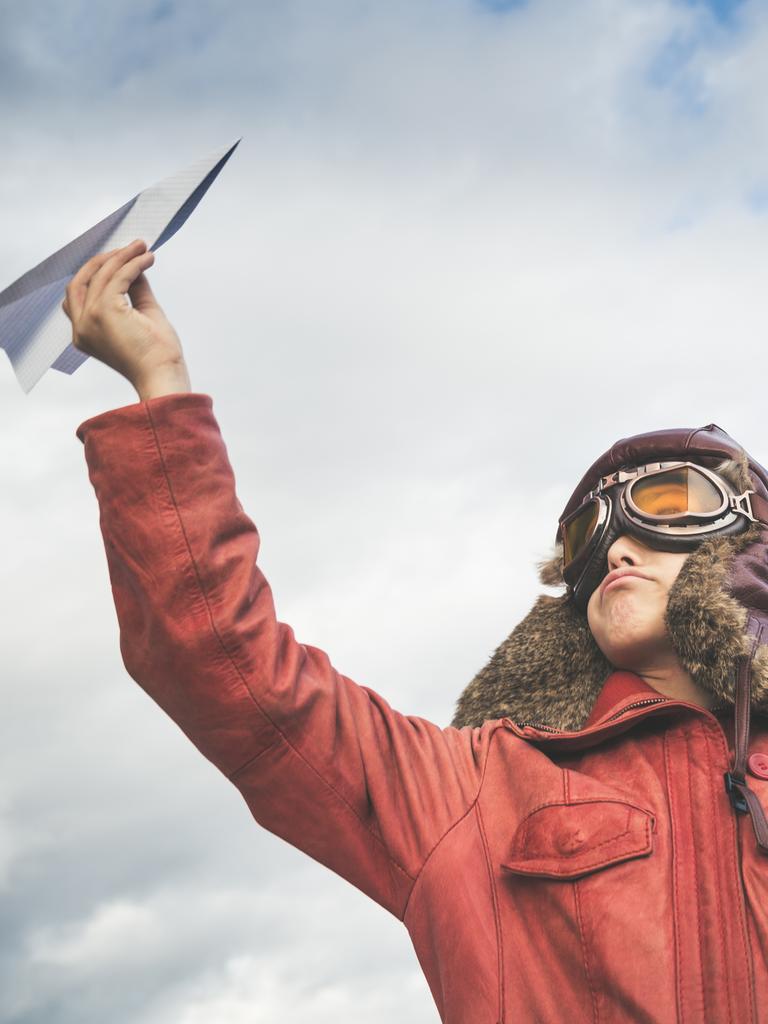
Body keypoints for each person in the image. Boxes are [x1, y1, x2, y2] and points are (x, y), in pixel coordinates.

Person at [66, 239, 768, 1023]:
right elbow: (224, 663)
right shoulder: (475, 788)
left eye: (669, 503)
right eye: (587, 540)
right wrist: (158, 388)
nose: (618, 548)